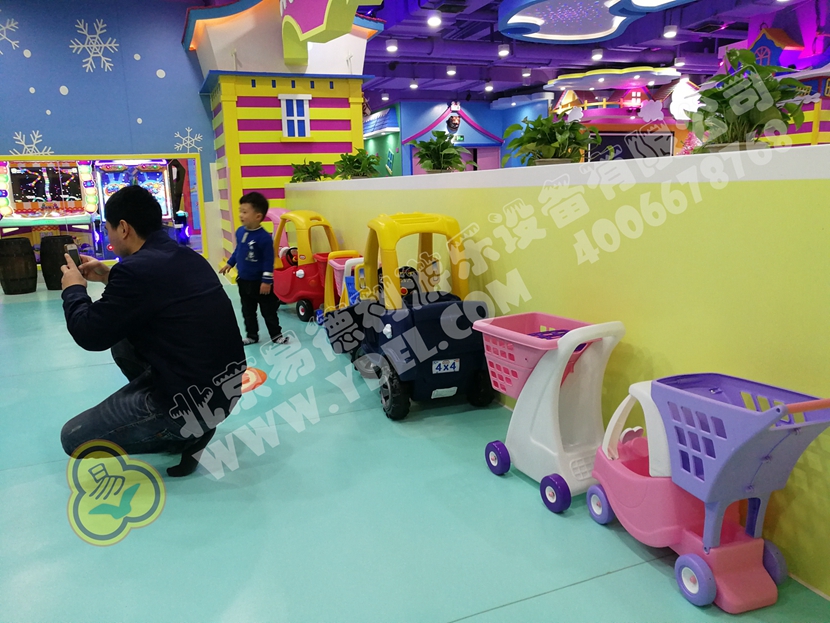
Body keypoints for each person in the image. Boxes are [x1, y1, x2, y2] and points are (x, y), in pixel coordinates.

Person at [60, 185, 245, 477]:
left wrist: (73, 289)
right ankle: (189, 424)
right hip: (224, 390)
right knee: (122, 339)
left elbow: (89, 334)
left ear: (123, 228)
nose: (108, 236)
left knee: (74, 438)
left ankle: (184, 432)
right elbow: (154, 292)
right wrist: (109, 276)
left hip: (190, 403)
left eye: (108, 229)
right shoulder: (186, 255)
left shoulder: (135, 271)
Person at [219, 191, 287, 346]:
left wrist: (266, 281)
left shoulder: (264, 238)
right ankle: (252, 335)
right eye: (240, 211)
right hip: (244, 281)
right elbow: (239, 250)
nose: (241, 215)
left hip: (261, 284)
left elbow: (269, 260)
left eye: (245, 212)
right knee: (247, 311)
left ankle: (276, 335)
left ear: (258, 216)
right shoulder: (240, 232)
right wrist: (230, 263)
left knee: (268, 311)